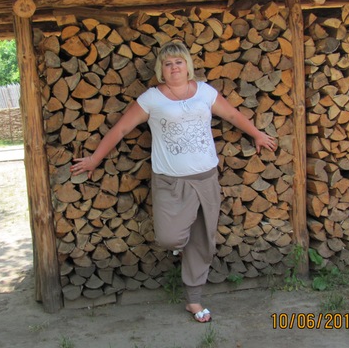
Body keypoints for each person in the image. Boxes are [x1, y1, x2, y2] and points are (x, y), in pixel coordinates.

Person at [71, 41, 277, 323]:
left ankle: (194, 300)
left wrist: (257, 134)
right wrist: (95, 159)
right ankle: (185, 242)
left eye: (179, 62)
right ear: (161, 70)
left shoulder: (204, 92)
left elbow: (231, 114)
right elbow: (121, 129)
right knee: (169, 237)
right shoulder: (151, 99)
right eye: (168, 64)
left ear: (187, 65)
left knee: (203, 243)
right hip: (170, 182)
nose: (174, 67)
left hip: (206, 179)